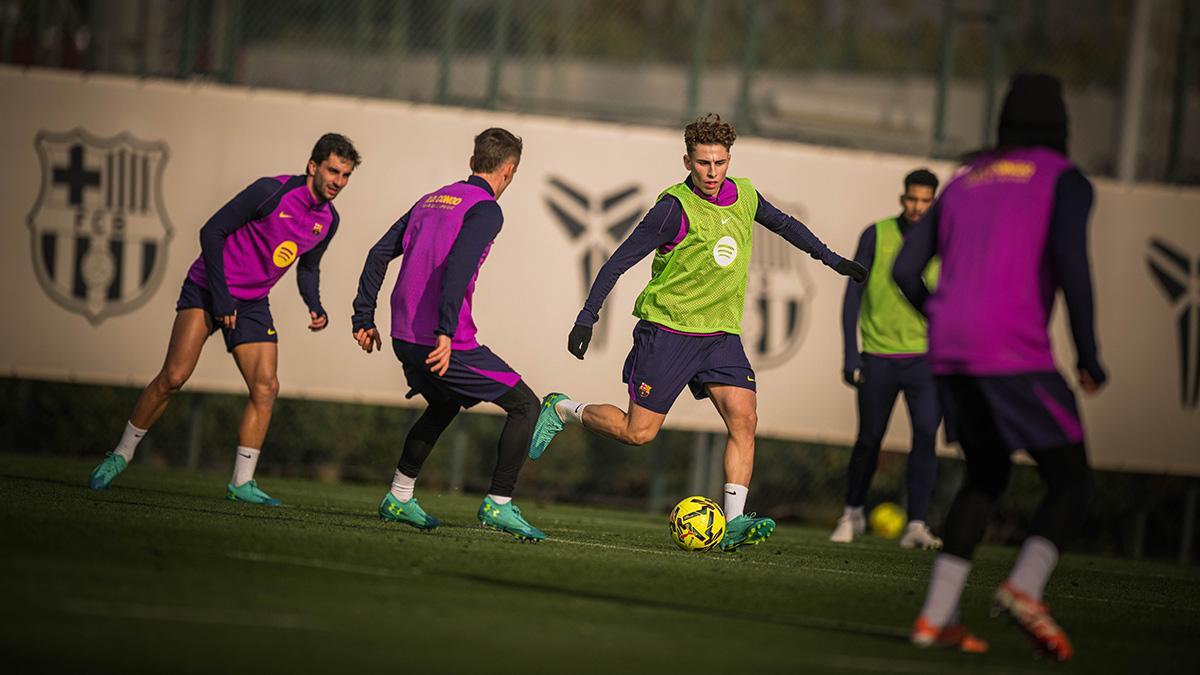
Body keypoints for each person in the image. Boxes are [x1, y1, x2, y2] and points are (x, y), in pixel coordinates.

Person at [528, 114, 867, 552]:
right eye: (703, 163)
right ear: (687, 160)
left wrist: (832, 260)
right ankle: (563, 409)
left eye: (720, 162)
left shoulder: (744, 195)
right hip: (667, 331)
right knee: (639, 433)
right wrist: (587, 316)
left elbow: (786, 226)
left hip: (720, 336)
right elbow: (617, 260)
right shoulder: (673, 209)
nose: (712, 172)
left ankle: (735, 521)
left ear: (730, 159)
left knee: (745, 419)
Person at [895, 74, 1106, 661]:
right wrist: (1087, 353)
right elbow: (1071, 263)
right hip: (1012, 352)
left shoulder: (964, 180)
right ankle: (1025, 588)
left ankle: (936, 619)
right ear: (1060, 125)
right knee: (1070, 480)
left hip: (951, 350)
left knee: (986, 475)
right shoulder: (1064, 180)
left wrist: (940, 318)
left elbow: (906, 273)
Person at [88, 133, 360, 505]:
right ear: (313, 166)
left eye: (345, 175)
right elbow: (211, 231)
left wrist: (315, 304)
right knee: (174, 377)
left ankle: (241, 483)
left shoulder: (328, 221)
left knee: (266, 388)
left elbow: (308, 267)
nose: (338, 182)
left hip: (250, 303)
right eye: (333, 171)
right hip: (208, 288)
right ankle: (120, 455)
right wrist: (221, 297)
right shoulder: (272, 191)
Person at [350, 128, 545, 541]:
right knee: (526, 405)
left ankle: (399, 496)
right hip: (443, 340)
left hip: (403, 335)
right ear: (509, 171)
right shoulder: (486, 209)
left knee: (444, 402)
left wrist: (362, 316)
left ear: (473, 162)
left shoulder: (430, 200)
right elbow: (457, 268)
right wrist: (444, 332)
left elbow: (377, 254)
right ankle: (499, 503)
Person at [831, 168, 944, 549]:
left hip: (927, 360)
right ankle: (852, 512)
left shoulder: (945, 240)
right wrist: (851, 353)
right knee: (869, 439)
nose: (917, 207)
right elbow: (853, 296)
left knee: (927, 436)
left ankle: (916, 524)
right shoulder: (876, 233)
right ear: (903, 198)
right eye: (912, 199)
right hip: (877, 356)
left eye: (926, 201)